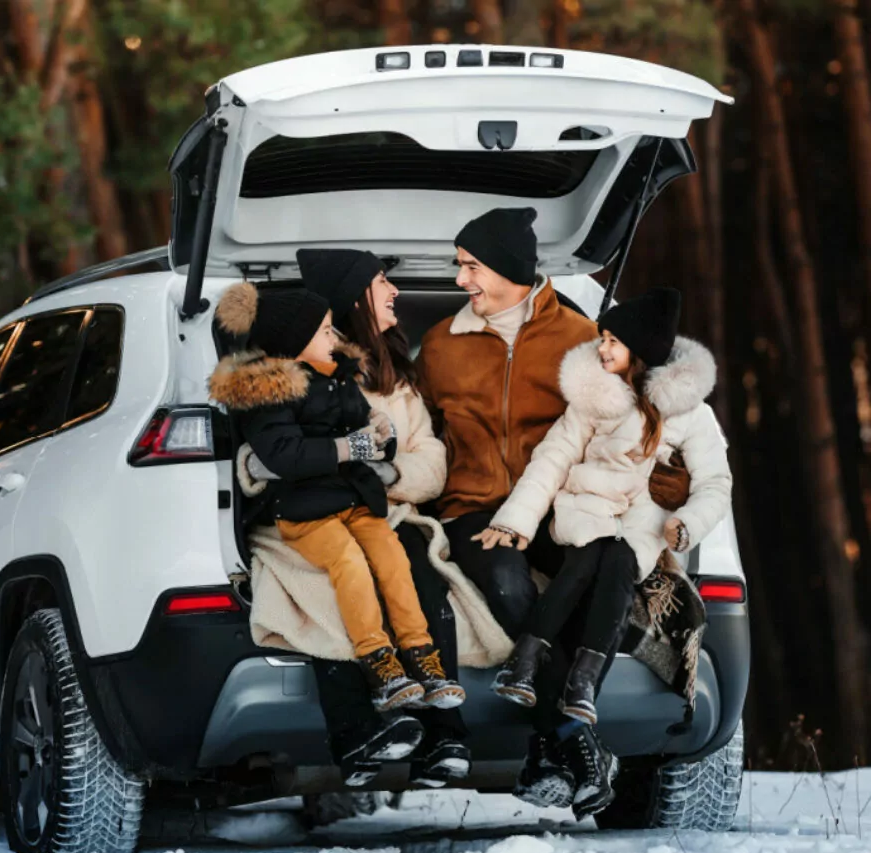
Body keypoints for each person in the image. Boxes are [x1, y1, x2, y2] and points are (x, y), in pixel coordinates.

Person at [416, 207, 690, 814]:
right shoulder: (438, 346)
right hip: (474, 507)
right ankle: (575, 738)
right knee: (510, 584)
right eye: (460, 267)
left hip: (564, 505)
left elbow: (636, 418)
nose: (460, 281)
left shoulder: (582, 339)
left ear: (512, 270)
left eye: (471, 268)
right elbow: (423, 435)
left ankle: (552, 744)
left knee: (589, 578)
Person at [489, 288, 733, 817]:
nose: (601, 349)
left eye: (612, 341)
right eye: (602, 339)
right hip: (581, 512)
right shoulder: (591, 399)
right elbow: (551, 461)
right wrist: (515, 521)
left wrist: (685, 525)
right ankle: (559, 678)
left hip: (642, 525)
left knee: (617, 559)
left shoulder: (691, 414)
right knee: (592, 553)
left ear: (640, 350)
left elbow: (716, 483)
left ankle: (549, 670)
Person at [240, 249, 477, 788]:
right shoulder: (298, 370)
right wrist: (280, 465)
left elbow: (429, 456)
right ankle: (359, 730)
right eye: (381, 281)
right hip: (308, 511)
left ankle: (443, 730)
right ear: (352, 300)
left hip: (381, 507)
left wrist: (385, 475)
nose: (394, 291)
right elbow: (265, 449)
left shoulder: (393, 372)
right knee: (331, 580)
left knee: (416, 574)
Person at [209, 280, 466, 716]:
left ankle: (422, 655)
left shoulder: (339, 378)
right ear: (294, 344)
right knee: (348, 563)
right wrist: (352, 448)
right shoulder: (267, 393)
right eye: (326, 331)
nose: (336, 337)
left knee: (392, 556)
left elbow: (367, 432)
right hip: (305, 512)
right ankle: (378, 661)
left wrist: (383, 435)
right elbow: (284, 454)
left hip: (355, 500)